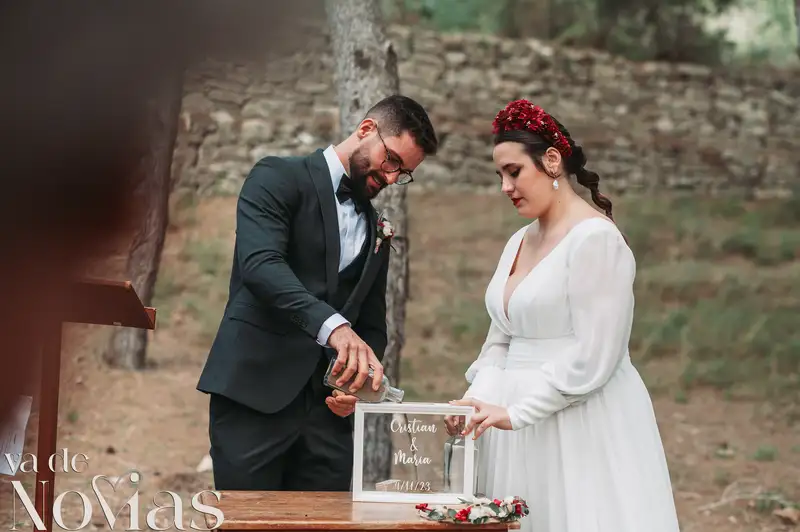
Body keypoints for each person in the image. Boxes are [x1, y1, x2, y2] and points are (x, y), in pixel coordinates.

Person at [446, 99, 680, 531]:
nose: (505, 186)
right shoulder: (518, 240)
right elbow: (500, 336)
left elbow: (596, 355)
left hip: (575, 420)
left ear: (552, 161)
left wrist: (519, 412)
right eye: (499, 174)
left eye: (514, 171)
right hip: (509, 424)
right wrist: (478, 402)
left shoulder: (595, 241)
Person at [196, 94, 438, 491]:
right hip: (255, 397)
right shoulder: (276, 177)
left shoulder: (379, 228)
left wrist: (357, 384)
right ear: (366, 130)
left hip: (330, 422)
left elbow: (371, 323)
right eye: (392, 161)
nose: (393, 178)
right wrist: (334, 327)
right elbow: (261, 266)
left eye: (404, 173)